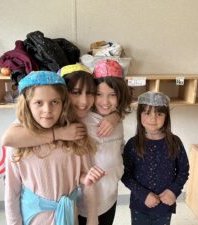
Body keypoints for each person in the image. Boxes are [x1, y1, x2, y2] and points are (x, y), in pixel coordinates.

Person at [4, 70, 104, 225]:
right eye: (38, 102)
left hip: (69, 216)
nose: (47, 110)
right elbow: (11, 192)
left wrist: (92, 219)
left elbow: (87, 182)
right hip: (33, 219)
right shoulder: (19, 143)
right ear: (27, 105)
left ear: (63, 104)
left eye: (54, 102)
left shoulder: (75, 136)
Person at [121, 91, 189, 225]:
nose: (153, 118)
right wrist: (142, 194)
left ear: (166, 116)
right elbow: (125, 174)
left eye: (159, 114)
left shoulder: (175, 142)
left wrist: (173, 191)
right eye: (147, 113)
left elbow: (183, 170)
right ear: (139, 115)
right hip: (139, 204)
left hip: (165, 205)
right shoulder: (133, 144)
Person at [77, 59, 131, 225]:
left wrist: (115, 117)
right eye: (99, 94)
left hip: (110, 195)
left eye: (112, 95)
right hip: (85, 201)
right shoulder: (82, 120)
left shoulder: (117, 118)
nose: (105, 102)